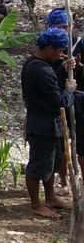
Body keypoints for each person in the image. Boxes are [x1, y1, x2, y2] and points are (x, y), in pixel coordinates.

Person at [22, 27, 76, 218]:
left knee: (53, 162)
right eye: (60, 51)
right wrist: (69, 90)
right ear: (49, 49)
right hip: (43, 124)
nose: (61, 54)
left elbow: (51, 85)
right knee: (39, 165)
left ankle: (50, 196)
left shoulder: (37, 64)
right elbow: (59, 101)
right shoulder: (42, 70)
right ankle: (36, 204)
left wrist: (61, 69)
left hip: (48, 123)